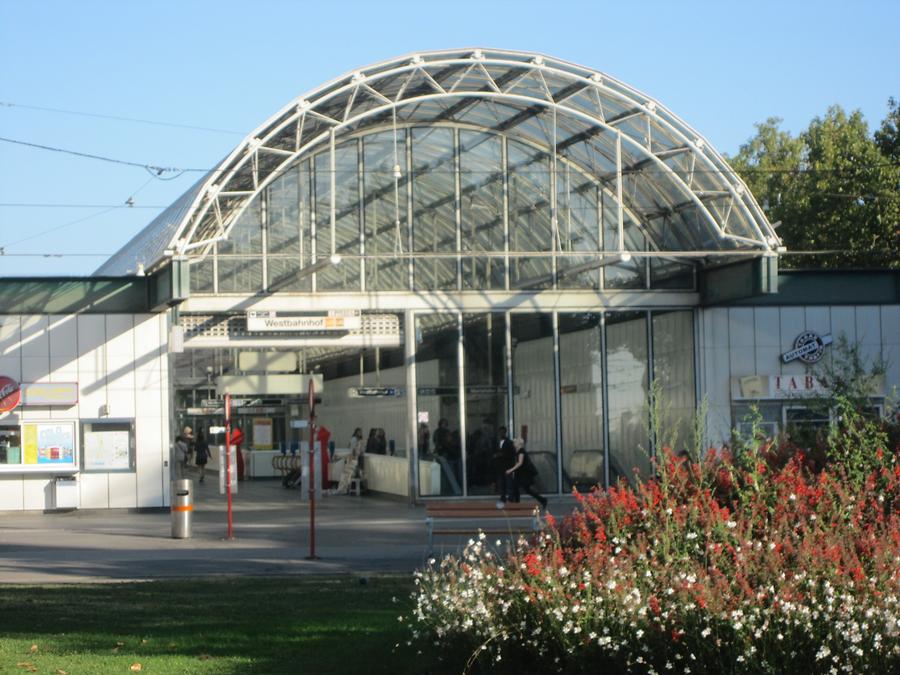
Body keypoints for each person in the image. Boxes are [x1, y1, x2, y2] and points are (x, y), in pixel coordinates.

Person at [505, 437, 547, 509]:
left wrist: (510, 470)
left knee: (525, 489)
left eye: (515, 442)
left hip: (525, 474)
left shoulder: (521, 451)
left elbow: (520, 463)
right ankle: (516, 504)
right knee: (517, 487)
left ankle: (542, 500)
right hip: (521, 473)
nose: (514, 444)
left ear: (519, 444)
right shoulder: (518, 451)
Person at [493, 426, 516, 505]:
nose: (501, 433)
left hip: (507, 466)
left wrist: (500, 455)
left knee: (509, 482)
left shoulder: (509, 442)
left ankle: (510, 498)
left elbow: (510, 454)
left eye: (502, 432)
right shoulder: (497, 442)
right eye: (500, 432)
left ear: (505, 433)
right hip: (499, 467)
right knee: (501, 482)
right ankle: (502, 497)